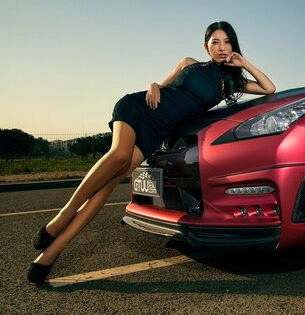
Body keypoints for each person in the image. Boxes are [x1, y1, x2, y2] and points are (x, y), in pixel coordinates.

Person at [27, 21, 276, 283]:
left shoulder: (231, 82)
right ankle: (60, 217)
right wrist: (154, 85)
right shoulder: (188, 62)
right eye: (215, 42)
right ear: (206, 46)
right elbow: (160, 86)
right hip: (139, 109)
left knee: (107, 187)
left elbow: (269, 88)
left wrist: (244, 63)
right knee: (120, 156)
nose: (221, 47)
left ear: (233, 46)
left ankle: (50, 254)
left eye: (227, 42)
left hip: (157, 131)